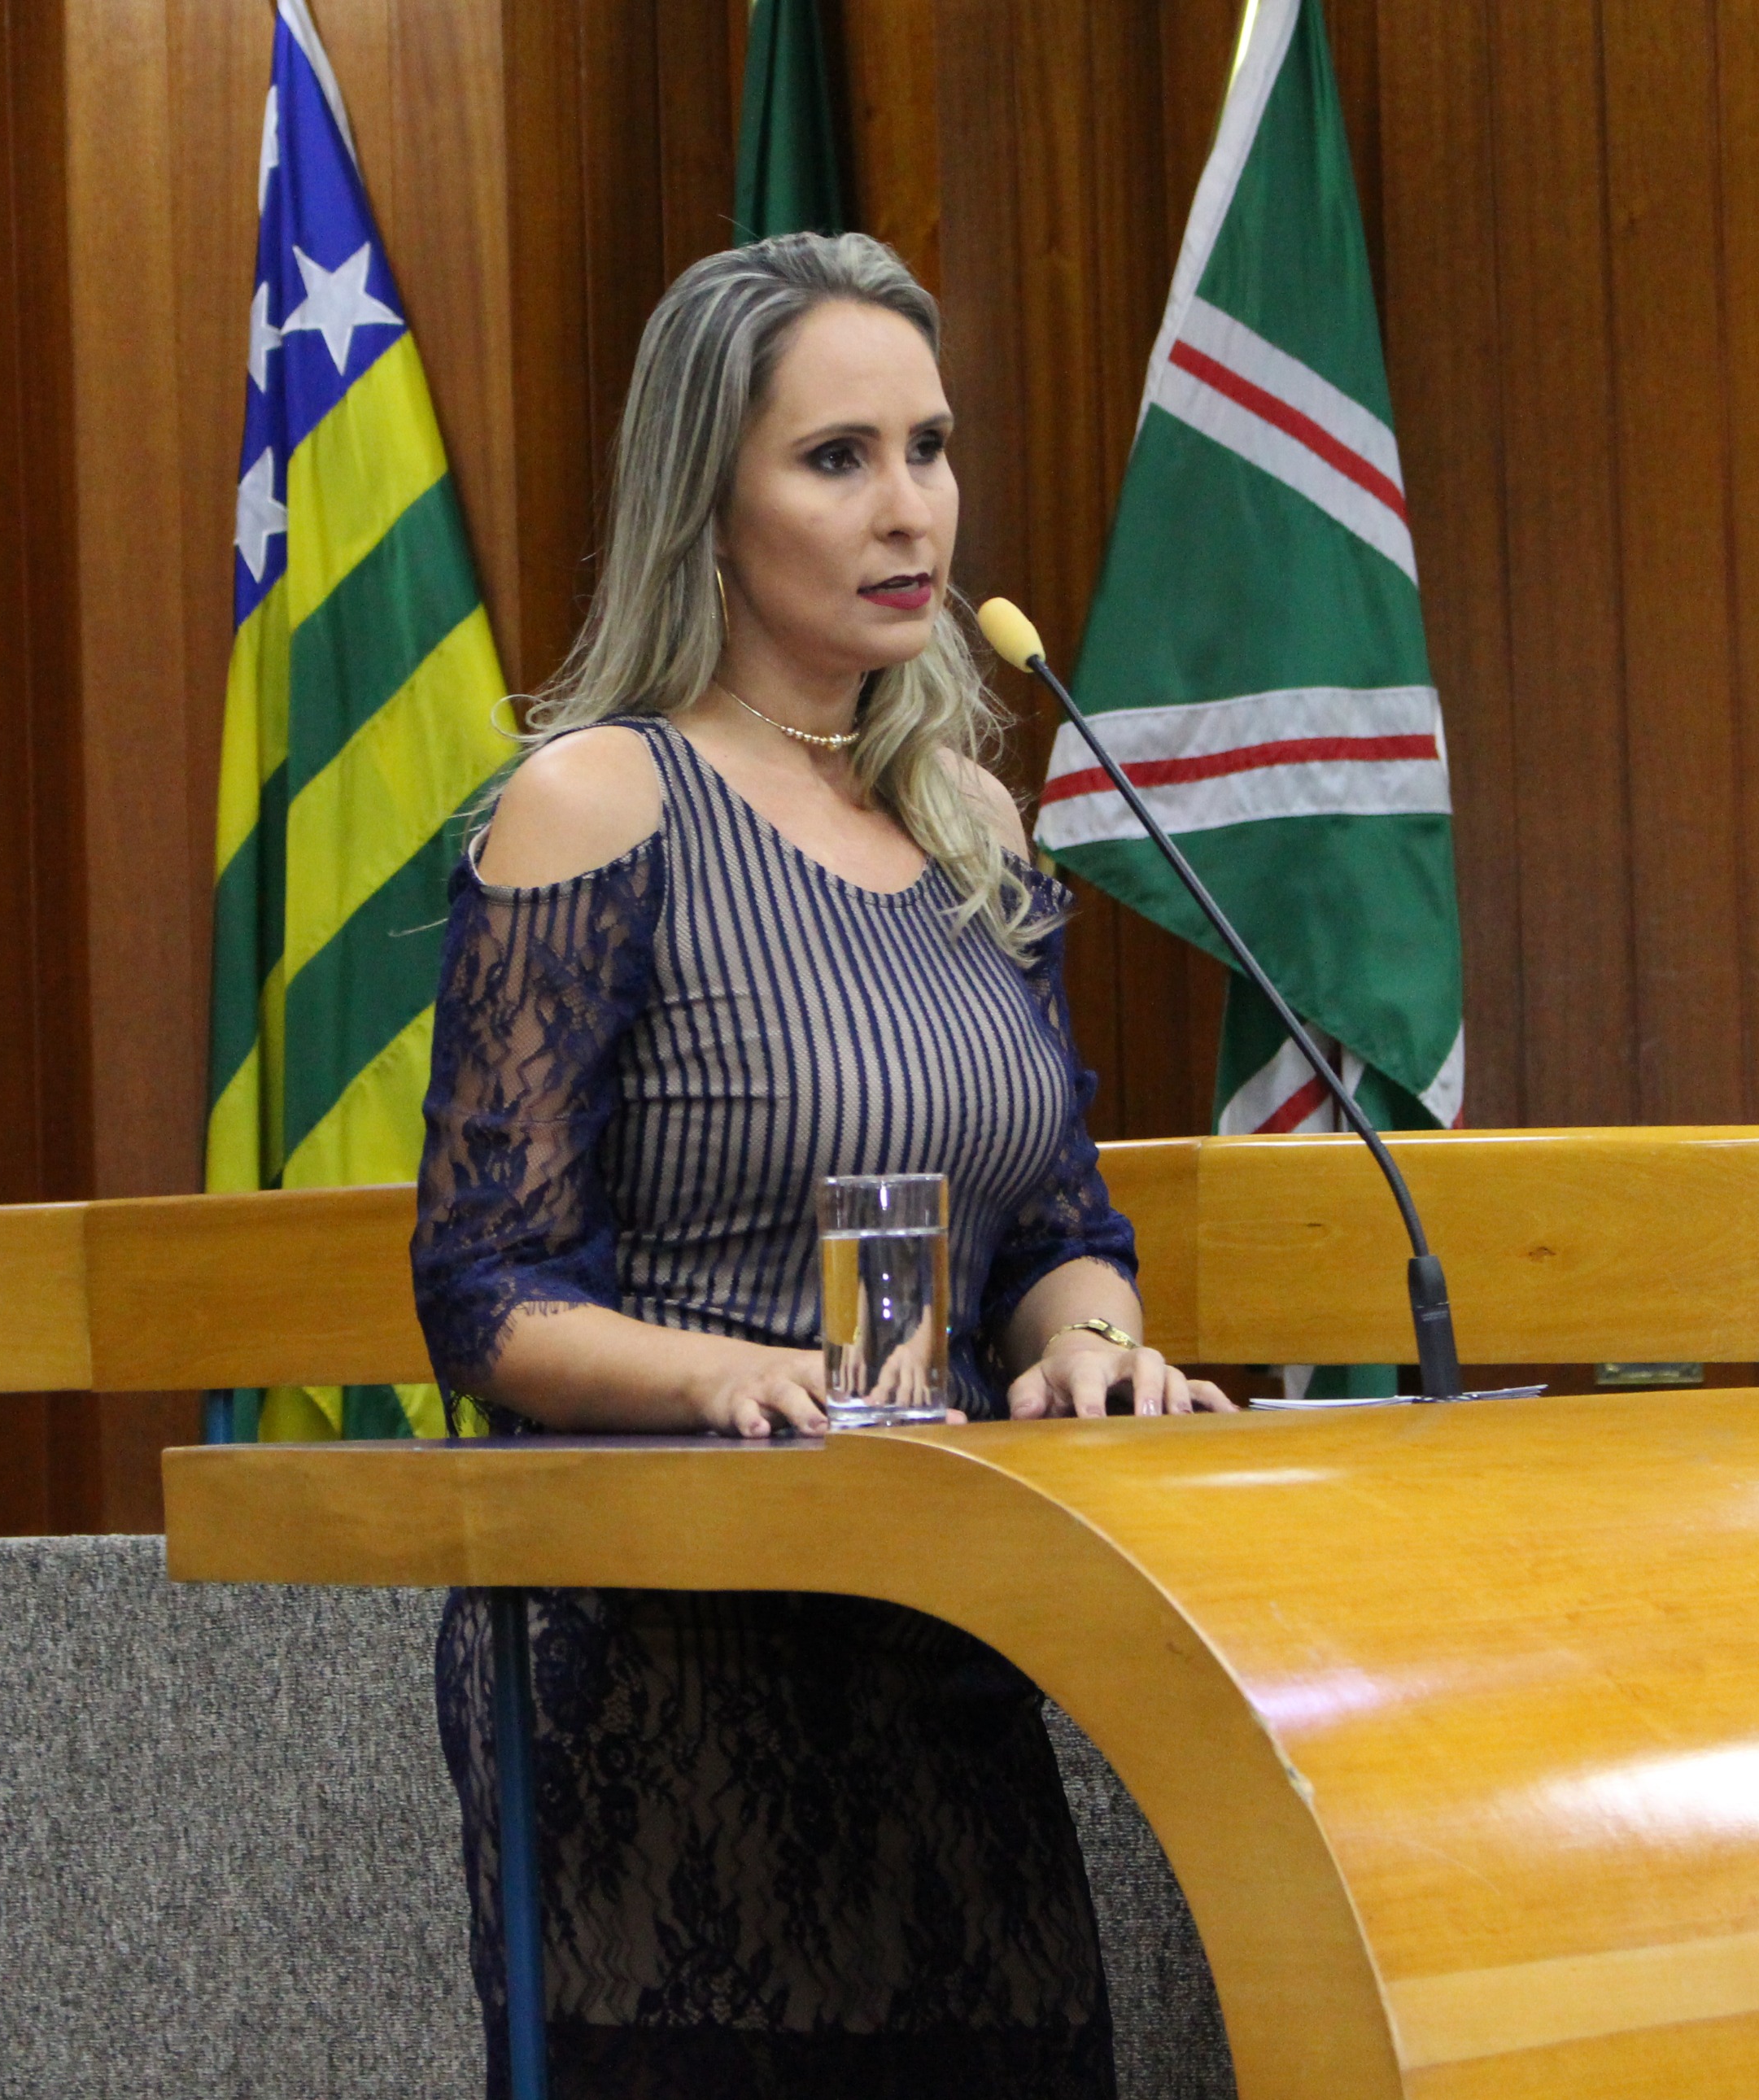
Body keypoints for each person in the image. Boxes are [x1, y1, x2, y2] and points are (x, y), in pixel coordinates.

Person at [411, 230, 1233, 2100]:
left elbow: (1054, 1223)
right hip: (670, 1670)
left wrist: (1090, 1342)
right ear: (706, 506)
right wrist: (728, 1376)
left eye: (926, 448)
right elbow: (482, 1289)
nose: (906, 508)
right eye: (835, 458)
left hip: (940, 1636)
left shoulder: (971, 824)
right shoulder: (598, 801)